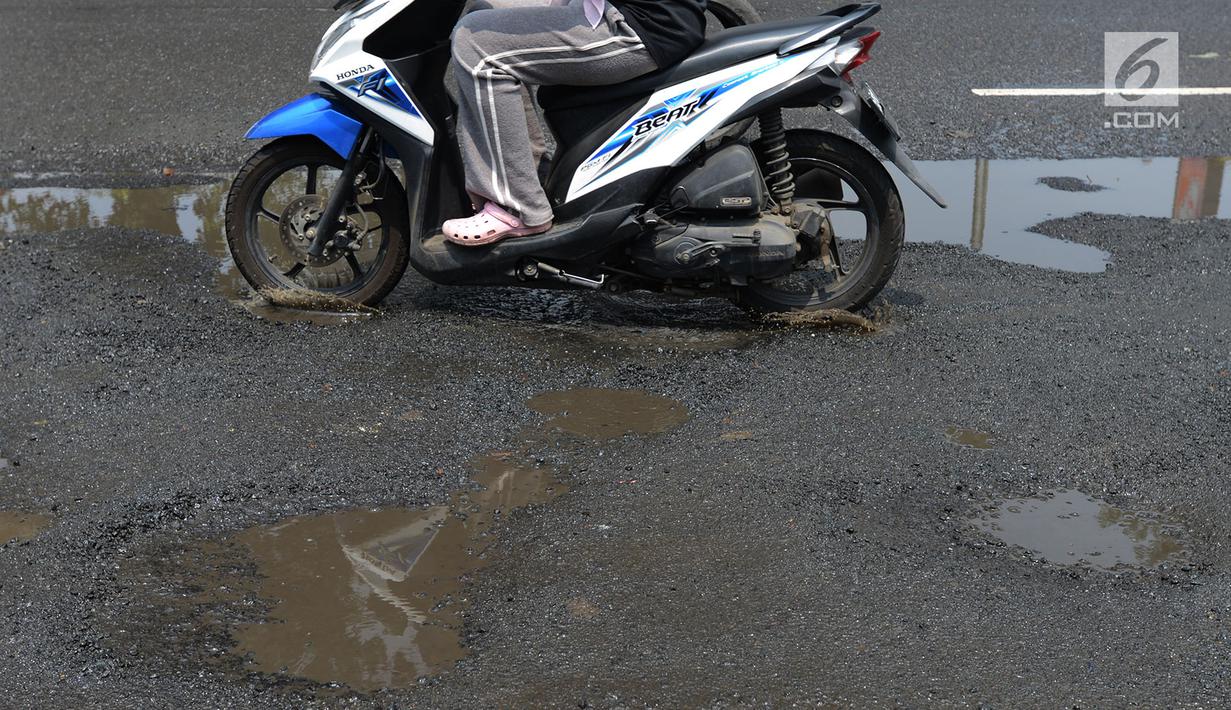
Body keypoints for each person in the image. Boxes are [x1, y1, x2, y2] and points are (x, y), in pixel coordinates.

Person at [443, 0, 707, 246]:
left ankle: (520, 208)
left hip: (641, 25)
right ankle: (529, 177)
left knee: (476, 44)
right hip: (625, 9)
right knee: (482, 11)